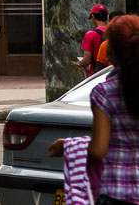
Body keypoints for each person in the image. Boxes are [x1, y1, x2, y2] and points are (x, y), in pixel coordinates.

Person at [49, 14, 139, 205]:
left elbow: (99, 148)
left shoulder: (105, 91)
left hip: (117, 193)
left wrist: (66, 146)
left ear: (111, 52)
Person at [79, 4, 108, 77]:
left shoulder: (90, 34)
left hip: (96, 75)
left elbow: (87, 60)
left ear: (93, 16)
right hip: (111, 73)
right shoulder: (114, 31)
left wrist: (81, 62)